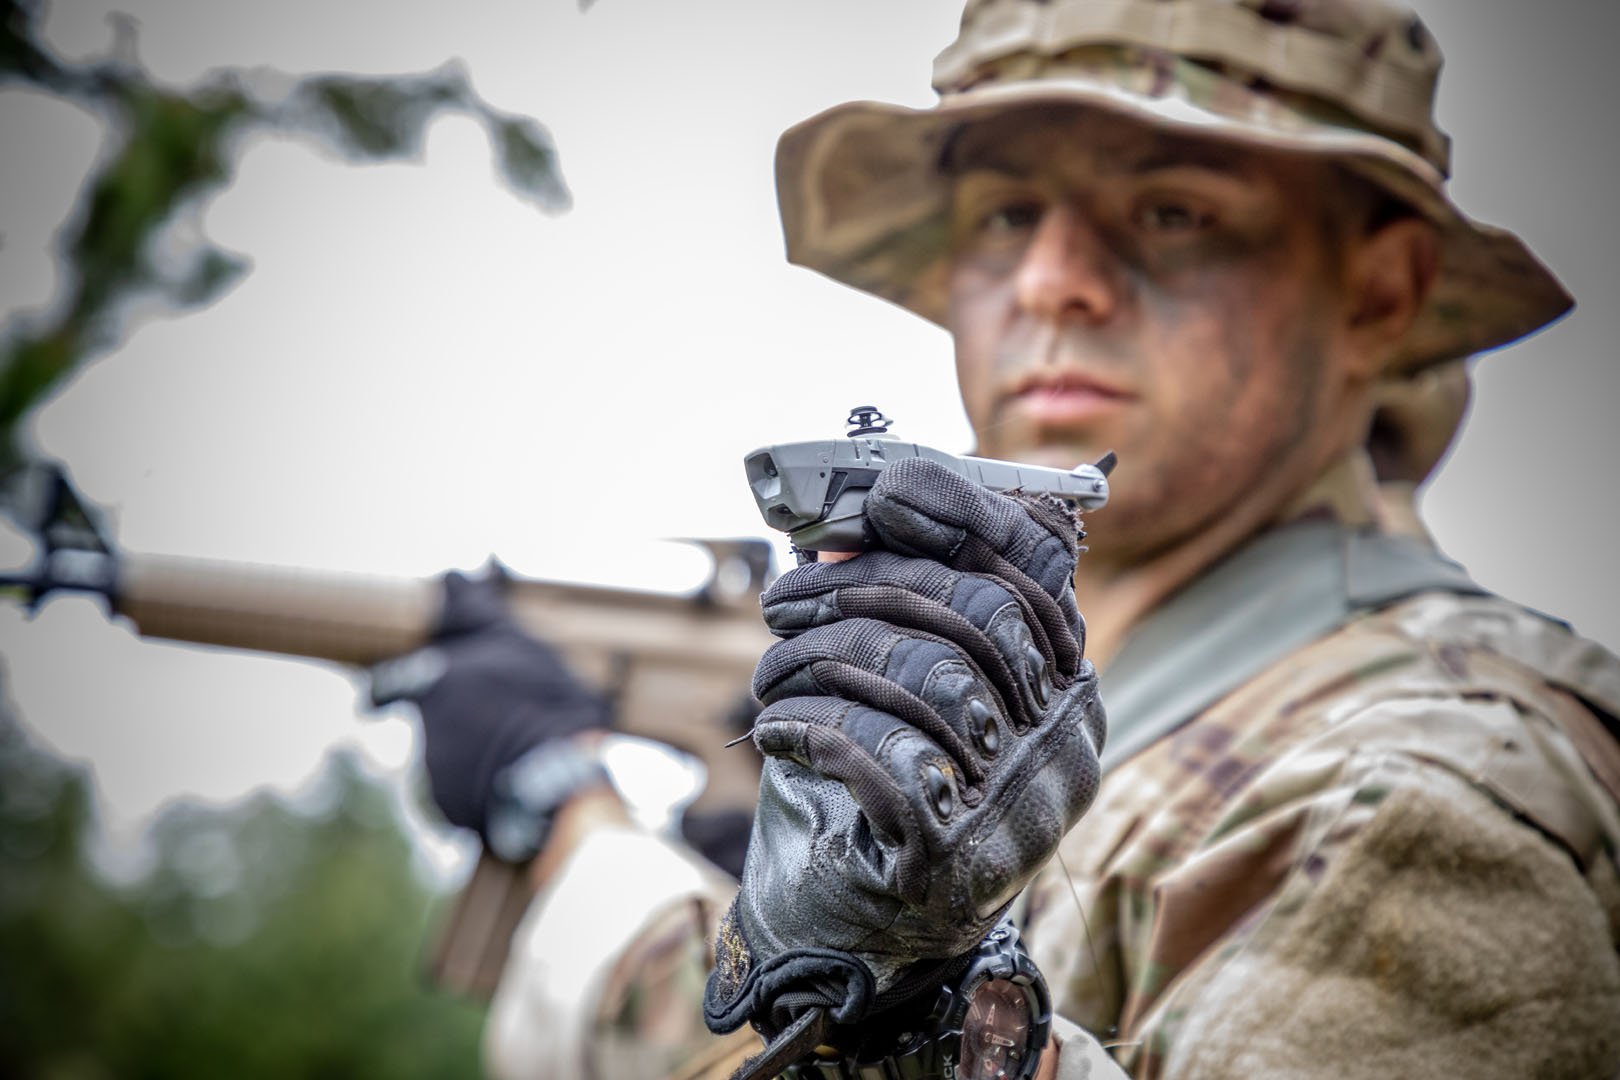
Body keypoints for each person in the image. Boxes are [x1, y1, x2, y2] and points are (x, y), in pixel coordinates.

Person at [416, 1, 1620, 1077]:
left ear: (1380, 293)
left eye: (1172, 208)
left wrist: (576, 822)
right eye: (1002, 212)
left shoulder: (1417, 792)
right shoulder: (1111, 690)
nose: (1048, 279)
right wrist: (767, 883)